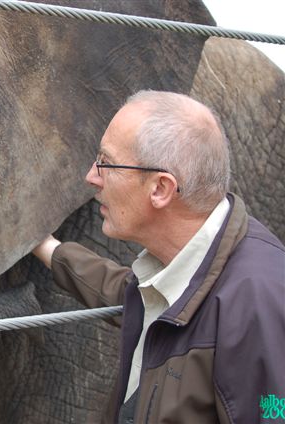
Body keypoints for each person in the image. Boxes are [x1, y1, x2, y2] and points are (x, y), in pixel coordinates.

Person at [32, 90, 285, 423]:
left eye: (106, 162)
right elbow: (129, 294)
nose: (92, 177)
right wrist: (46, 246)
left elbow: (272, 411)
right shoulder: (190, 265)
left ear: (161, 189)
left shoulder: (256, 302)